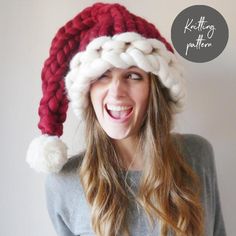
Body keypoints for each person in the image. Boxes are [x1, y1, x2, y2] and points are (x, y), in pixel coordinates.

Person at [26, 2, 226, 236]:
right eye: (102, 76)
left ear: (155, 90)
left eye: (133, 75)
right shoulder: (64, 182)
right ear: (88, 91)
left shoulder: (196, 155)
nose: (116, 91)